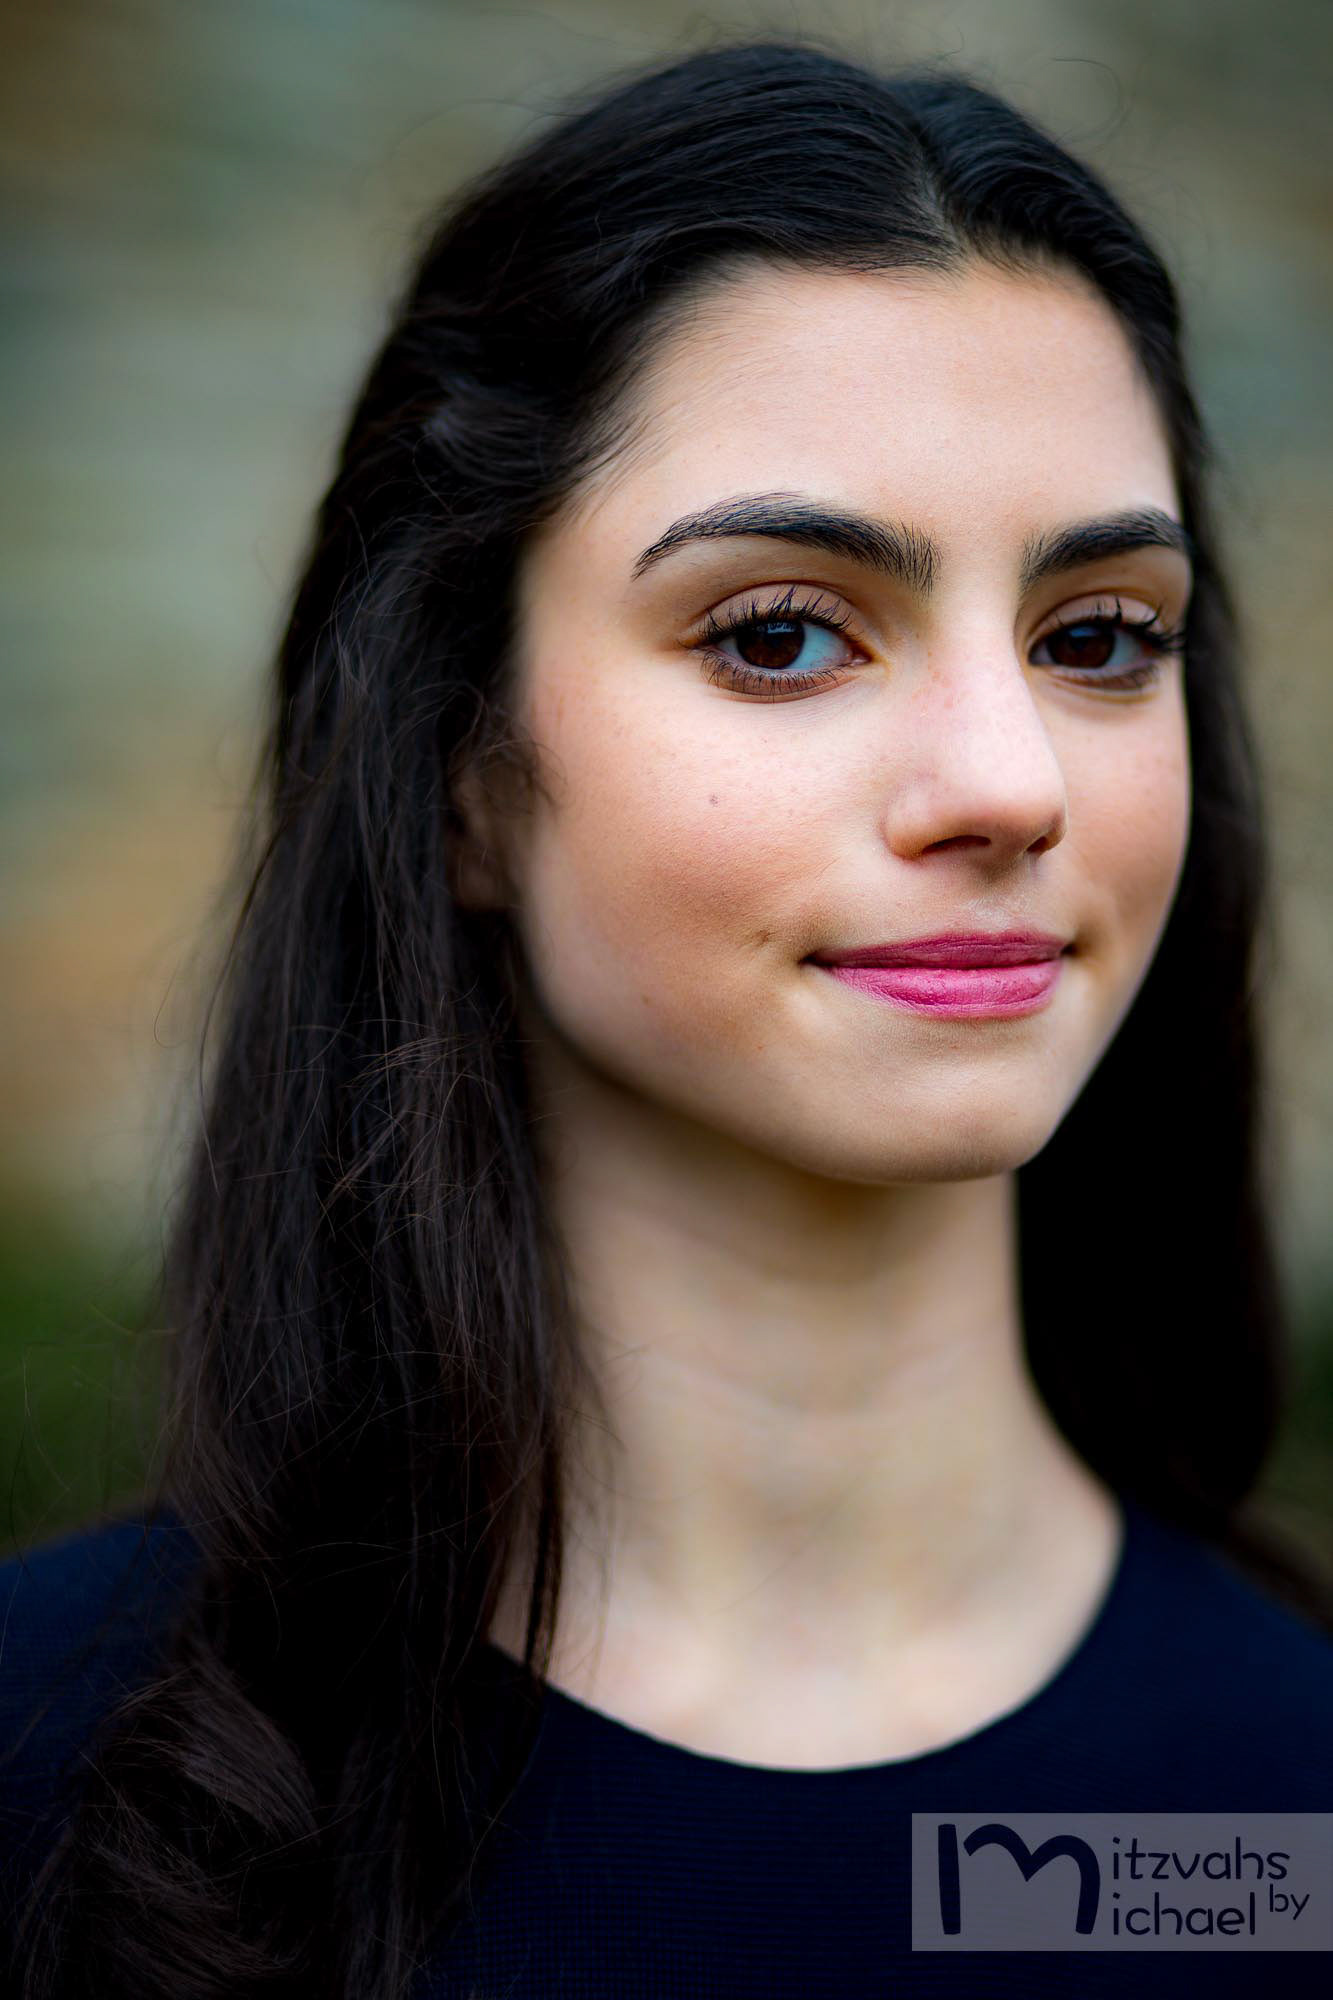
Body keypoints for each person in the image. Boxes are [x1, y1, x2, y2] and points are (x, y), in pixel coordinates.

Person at [3, 34, 1331, 2000]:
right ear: (460, 762)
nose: (1010, 778)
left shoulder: (1265, 1815)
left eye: (1096, 639)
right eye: (781, 632)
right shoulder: (49, 1774)